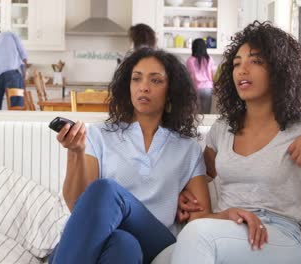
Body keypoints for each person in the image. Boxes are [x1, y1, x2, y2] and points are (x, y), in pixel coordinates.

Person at [169, 21, 301, 263]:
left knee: (196, 235)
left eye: (255, 61)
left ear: (279, 70)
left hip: (277, 236)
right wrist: (183, 193)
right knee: (160, 257)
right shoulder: (222, 129)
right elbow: (203, 174)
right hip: (227, 227)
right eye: (236, 63)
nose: (242, 70)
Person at [49, 47, 209, 264]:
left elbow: (201, 217)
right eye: (136, 79)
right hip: (112, 240)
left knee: (106, 189)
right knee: (124, 245)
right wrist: (75, 152)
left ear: (171, 90)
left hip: (158, 243)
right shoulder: (98, 135)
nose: (144, 87)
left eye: (155, 81)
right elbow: (78, 205)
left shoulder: (187, 148)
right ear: (128, 86)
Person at [0, 30, 27, 110]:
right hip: (11, 74)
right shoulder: (11, 34)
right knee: (16, 108)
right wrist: (24, 78)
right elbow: (23, 56)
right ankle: (15, 122)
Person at [186, 38, 216, 114]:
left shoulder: (190, 60)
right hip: (208, 89)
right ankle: (205, 126)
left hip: (196, 89)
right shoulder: (209, 59)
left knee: (195, 113)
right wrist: (214, 86)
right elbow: (212, 75)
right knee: (206, 113)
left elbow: (189, 77)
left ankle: (196, 126)